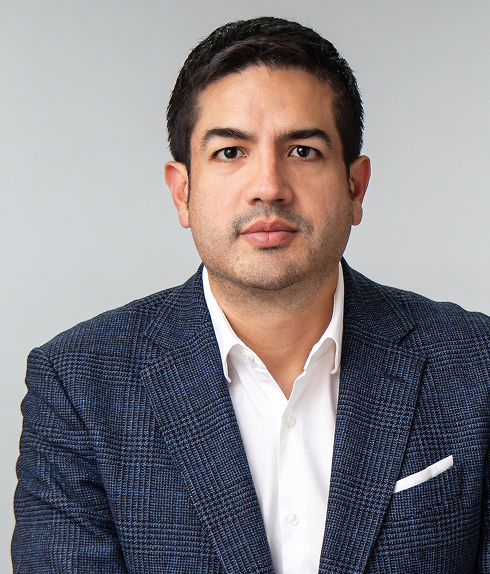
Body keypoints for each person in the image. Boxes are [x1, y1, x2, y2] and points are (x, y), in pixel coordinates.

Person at [12, 16, 490, 574]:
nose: (269, 186)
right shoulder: (79, 384)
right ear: (182, 192)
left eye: (303, 150)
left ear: (355, 187)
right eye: (231, 152)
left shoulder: (474, 364)